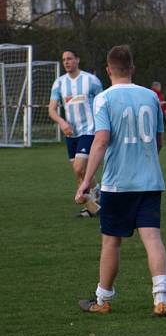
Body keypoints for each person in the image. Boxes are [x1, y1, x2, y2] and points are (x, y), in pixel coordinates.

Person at [75, 45, 166, 317]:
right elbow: (158, 141)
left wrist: (87, 180)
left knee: (111, 242)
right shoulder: (151, 96)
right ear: (133, 68)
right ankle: (160, 298)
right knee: (152, 238)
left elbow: (102, 140)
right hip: (150, 180)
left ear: (108, 70)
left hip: (118, 183)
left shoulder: (103, 99)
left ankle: (103, 299)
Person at [48, 49, 104, 217]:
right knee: (79, 173)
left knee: (80, 168)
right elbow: (51, 109)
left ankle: (96, 196)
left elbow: (102, 103)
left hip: (89, 130)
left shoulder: (91, 80)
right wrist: (62, 122)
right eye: (64, 59)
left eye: (70, 58)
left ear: (77, 60)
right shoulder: (59, 83)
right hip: (71, 133)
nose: (66, 62)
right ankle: (93, 206)